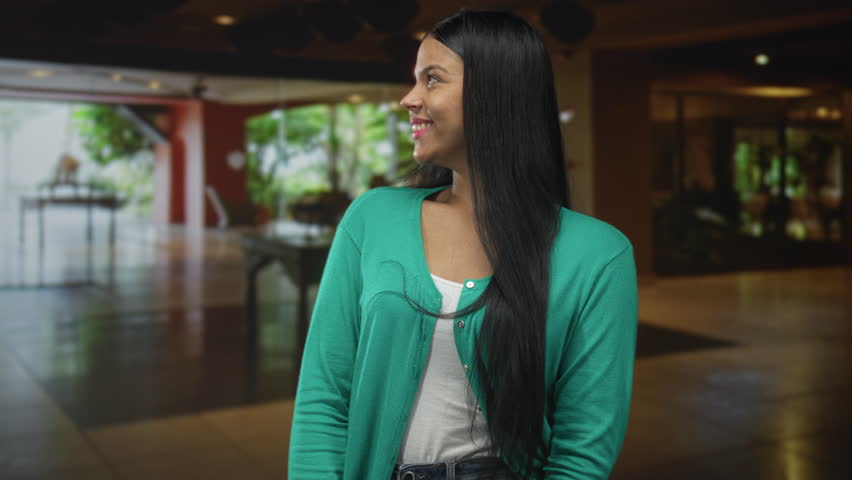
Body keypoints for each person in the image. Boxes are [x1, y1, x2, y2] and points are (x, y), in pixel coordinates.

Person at [289, 9, 638, 480]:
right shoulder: (373, 218)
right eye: (415, 79)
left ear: (497, 93)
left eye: (432, 79)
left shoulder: (599, 255)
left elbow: (583, 449)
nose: (408, 99)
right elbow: (323, 396)